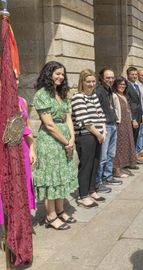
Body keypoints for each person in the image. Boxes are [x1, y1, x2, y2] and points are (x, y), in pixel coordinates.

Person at [33, 61, 78, 230]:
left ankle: (59, 210)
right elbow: (50, 125)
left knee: (62, 175)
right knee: (51, 177)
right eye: (57, 73)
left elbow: (68, 118)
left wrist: (72, 138)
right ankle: (50, 216)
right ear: (48, 74)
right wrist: (66, 141)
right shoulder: (41, 94)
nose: (60, 77)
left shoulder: (62, 94)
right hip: (50, 142)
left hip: (65, 141)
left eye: (62, 74)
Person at [71, 69, 107, 208]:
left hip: (98, 135)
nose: (91, 84)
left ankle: (92, 190)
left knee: (95, 163)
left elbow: (101, 115)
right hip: (85, 136)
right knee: (86, 165)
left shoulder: (94, 97)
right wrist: (98, 134)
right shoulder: (78, 97)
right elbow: (84, 120)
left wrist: (103, 132)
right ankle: (83, 195)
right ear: (82, 82)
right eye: (88, 81)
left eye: (93, 81)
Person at [95, 67, 122, 190]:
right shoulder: (99, 91)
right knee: (103, 156)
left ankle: (108, 176)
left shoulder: (109, 90)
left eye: (112, 77)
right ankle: (98, 182)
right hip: (104, 125)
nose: (110, 80)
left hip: (112, 123)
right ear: (102, 78)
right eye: (108, 78)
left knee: (111, 154)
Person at [112, 77, 138, 177]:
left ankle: (122, 167)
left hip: (127, 123)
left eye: (124, 84)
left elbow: (128, 109)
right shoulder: (115, 95)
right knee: (119, 146)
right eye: (120, 84)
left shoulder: (124, 95)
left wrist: (133, 120)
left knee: (126, 144)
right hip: (120, 123)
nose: (122, 86)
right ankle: (117, 170)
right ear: (116, 85)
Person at [18, 96, 36, 211]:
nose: (16, 82)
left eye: (17, 78)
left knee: (24, 182)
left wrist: (32, 149)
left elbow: (27, 126)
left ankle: (23, 217)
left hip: (23, 147)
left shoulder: (22, 100)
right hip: (5, 150)